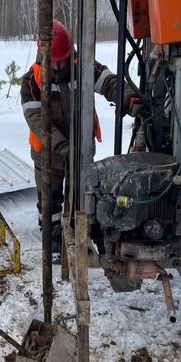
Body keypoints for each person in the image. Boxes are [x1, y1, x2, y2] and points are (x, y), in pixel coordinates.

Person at [20, 20, 137, 262]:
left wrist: (129, 99)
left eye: (64, 59)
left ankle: (76, 230)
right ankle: (52, 238)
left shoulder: (82, 67)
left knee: (80, 195)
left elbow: (109, 82)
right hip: (48, 152)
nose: (61, 65)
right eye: (56, 61)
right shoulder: (32, 81)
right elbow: (37, 120)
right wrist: (61, 145)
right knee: (49, 199)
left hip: (81, 148)